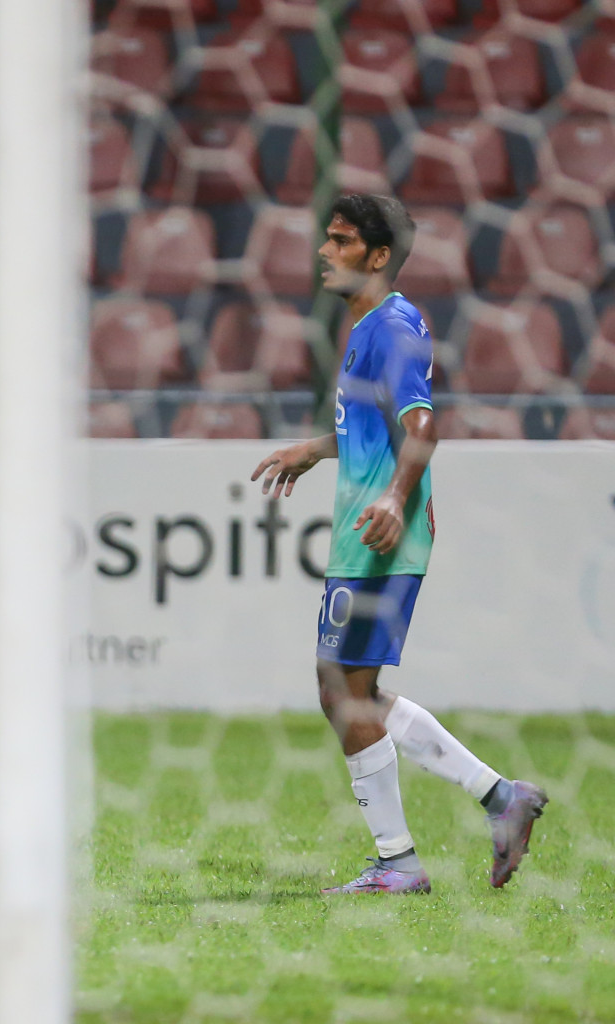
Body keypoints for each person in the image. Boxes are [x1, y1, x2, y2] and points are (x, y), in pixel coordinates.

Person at [251, 193, 547, 894]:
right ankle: (499, 798)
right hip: (371, 527)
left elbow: (422, 429)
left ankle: (399, 862)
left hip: (385, 531)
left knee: (341, 690)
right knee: (351, 691)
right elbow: (374, 428)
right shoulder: (369, 328)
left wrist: (392, 497)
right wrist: (318, 451)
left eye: (342, 240)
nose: (325, 251)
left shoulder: (393, 327)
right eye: (327, 238)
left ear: (377, 256)